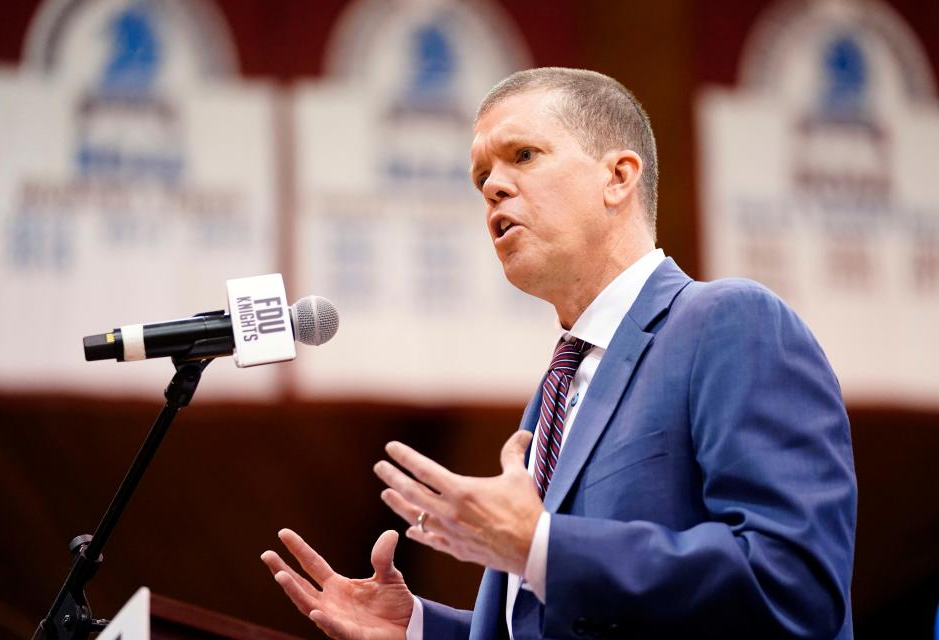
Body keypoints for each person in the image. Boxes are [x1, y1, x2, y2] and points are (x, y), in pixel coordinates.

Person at [260, 67, 857, 640]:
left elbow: (793, 583)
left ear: (618, 177)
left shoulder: (728, 321)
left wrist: (541, 547)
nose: (492, 186)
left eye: (523, 155)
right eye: (480, 177)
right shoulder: (553, 396)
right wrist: (419, 630)